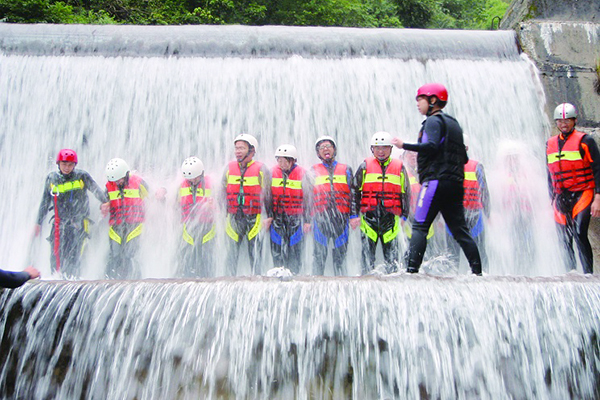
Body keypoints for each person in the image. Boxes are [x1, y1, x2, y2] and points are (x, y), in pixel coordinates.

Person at [392, 83, 482, 275]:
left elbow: (431, 146)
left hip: (434, 182)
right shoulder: (454, 124)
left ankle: (411, 271)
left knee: (420, 226)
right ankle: (477, 272)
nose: (417, 104)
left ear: (432, 101)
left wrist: (404, 145)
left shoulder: (433, 121)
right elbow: (464, 158)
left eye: (420, 100)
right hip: (455, 184)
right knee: (460, 231)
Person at [546, 103, 600, 274]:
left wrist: (598, 197)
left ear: (574, 120)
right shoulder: (549, 144)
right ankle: (570, 273)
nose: (564, 124)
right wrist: (550, 197)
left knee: (579, 232)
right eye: (560, 121)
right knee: (563, 238)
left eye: (567, 120)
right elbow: (548, 173)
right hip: (561, 196)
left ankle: (587, 274)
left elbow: (598, 169)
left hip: (583, 192)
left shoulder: (586, 141)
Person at [35, 149, 107, 277]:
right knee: (56, 254)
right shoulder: (52, 179)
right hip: (59, 223)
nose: (67, 168)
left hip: (79, 223)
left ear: (74, 165)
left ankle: (74, 281)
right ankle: (55, 280)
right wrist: (38, 223)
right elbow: (45, 202)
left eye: (70, 165)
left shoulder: (82, 176)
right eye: (64, 164)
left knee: (75, 254)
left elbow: (96, 190)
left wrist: (105, 202)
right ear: (58, 164)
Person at [353, 131, 410, 274]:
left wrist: (404, 216)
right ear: (372, 149)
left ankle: (393, 287)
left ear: (391, 149)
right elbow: (355, 192)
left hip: (390, 219)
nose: (381, 151)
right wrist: (354, 215)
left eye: (384, 147)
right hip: (369, 219)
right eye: (377, 148)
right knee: (367, 259)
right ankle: (366, 283)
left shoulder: (399, 167)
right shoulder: (364, 166)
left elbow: (406, 194)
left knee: (392, 261)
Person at [222, 134, 272, 276]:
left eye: (242, 148)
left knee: (255, 255)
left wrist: (270, 216)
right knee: (230, 256)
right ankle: (228, 283)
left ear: (251, 150)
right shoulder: (228, 168)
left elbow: (268, 195)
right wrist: (221, 211)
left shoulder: (262, 169)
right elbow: (222, 191)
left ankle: (256, 282)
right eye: (236, 148)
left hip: (253, 218)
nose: (238, 151)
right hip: (233, 218)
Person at [311, 136, 358, 276]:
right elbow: (308, 196)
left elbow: (353, 193)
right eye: (321, 148)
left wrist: (354, 215)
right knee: (319, 256)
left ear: (335, 150)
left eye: (328, 146)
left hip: (341, 218)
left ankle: (341, 287)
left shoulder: (346, 169)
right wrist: (308, 220)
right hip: (321, 218)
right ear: (318, 154)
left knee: (340, 257)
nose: (325, 149)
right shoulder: (313, 170)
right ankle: (316, 286)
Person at [101, 158, 152, 279]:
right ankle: (110, 278)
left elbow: (151, 198)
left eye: (120, 179)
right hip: (116, 225)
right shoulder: (109, 186)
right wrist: (105, 205)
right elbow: (105, 200)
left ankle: (136, 278)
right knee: (115, 254)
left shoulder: (139, 183)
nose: (117, 183)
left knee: (131, 254)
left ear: (126, 174)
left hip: (135, 224)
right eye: (114, 180)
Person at [447, 135, 490, 271]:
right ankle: (451, 281)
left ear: (466, 148)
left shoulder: (476, 167)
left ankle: (483, 278)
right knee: (452, 255)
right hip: (453, 216)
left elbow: (484, 192)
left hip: (475, 216)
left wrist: (489, 215)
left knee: (479, 251)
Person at [267, 144, 311, 274]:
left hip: (296, 218)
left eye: (284, 160)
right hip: (277, 217)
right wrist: (269, 216)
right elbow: (267, 197)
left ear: (292, 160)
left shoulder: (303, 174)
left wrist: (307, 221)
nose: (281, 163)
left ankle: (295, 274)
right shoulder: (271, 173)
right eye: (279, 160)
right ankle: (277, 274)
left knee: (295, 249)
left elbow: (309, 199)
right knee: (276, 248)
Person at [178, 156, 216, 277]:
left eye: (195, 178)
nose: (192, 181)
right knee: (188, 254)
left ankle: (208, 277)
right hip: (189, 226)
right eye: (189, 179)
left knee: (206, 254)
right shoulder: (181, 186)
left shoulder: (211, 184)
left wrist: (213, 205)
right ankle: (189, 277)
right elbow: (174, 205)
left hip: (208, 225)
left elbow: (222, 203)